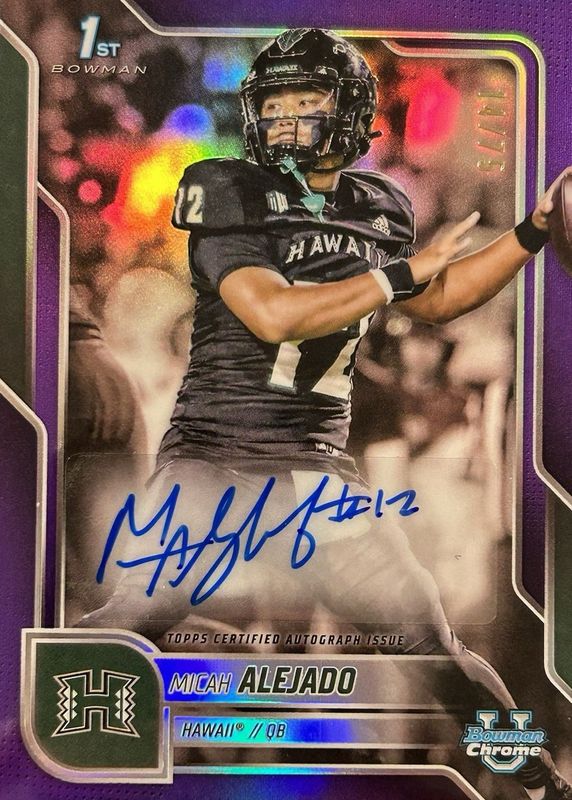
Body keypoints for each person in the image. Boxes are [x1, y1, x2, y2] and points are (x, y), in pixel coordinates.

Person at [79, 29, 571, 798]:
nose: (284, 120)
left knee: (433, 646)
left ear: (347, 112)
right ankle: (32, 723)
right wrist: (399, 276)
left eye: (304, 103)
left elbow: (438, 297)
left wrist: (533, 231)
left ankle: (536, 781)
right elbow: (271, 313)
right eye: (273, 105)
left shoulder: (377, 207)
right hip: (216, 458)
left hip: (316, 473)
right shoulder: (225, 187)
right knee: (134, 618)